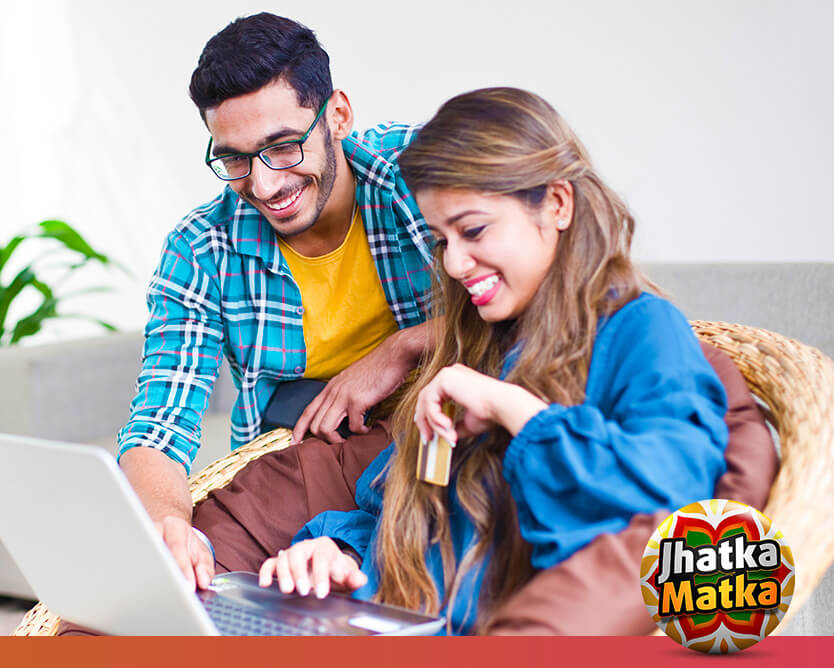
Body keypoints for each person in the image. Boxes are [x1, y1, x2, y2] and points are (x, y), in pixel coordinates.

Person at [257, 87, 741, 634]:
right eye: (442, 239)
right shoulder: (482, 342)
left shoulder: (641, 331)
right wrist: (337, 555)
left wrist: (514, 409)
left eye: (474, 230)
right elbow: (409, 513)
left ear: (557, 205)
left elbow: (680, 515)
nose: (456, 264)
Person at [116, 13, 435, 589]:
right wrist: (167, 521)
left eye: (282, 148)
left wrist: (407, 345)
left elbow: (555, 292)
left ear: (338, 115)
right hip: (296, 466)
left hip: (436, 444)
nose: (263, 187)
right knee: (183, 589)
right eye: (234, 158)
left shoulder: (420, 170)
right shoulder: (201, 248)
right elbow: (160, 423)